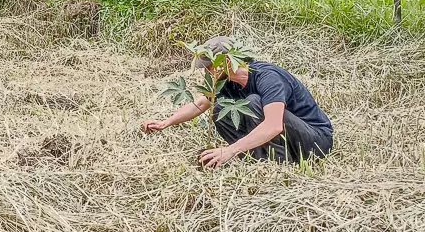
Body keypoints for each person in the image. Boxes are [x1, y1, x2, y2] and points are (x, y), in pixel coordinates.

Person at [142, 36, 334, 168]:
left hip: (315, 140)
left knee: (253, 103)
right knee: (219, 108)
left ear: (227, 61)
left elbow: (274, 125)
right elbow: (201, 104)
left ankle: (279, 165)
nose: (207, 72)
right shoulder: (226, 82)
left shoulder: (266, 76)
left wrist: (230, 150)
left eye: (209, 66)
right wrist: (166, 122)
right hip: (290, 138)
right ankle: (259, 163)